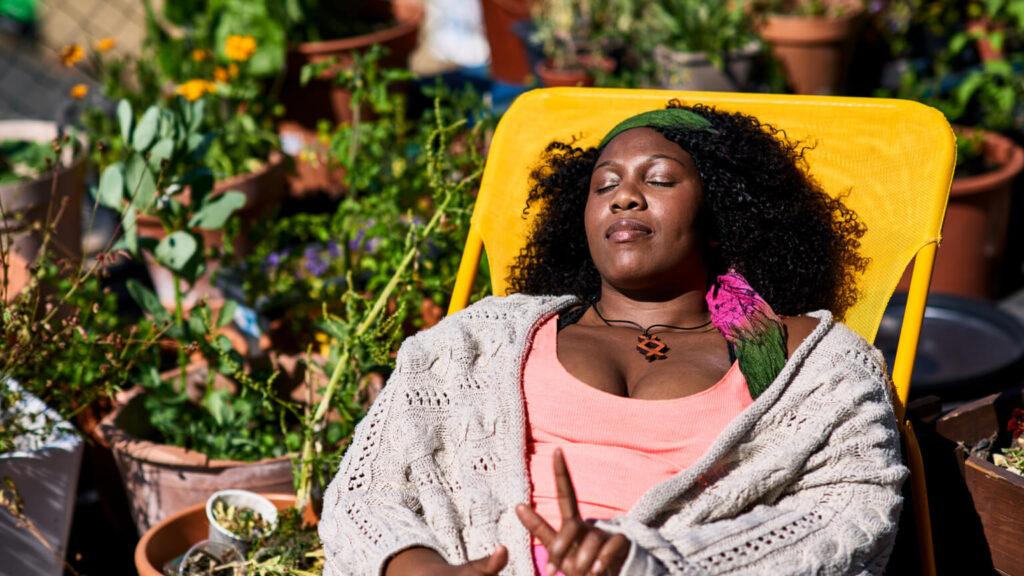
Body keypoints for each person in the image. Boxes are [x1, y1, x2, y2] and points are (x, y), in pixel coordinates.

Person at [319, 101, 908, 576]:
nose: (624, 196)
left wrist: (646, 562)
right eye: (605, 186)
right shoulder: (481, 341)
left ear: (721, 218)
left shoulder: (807, 362)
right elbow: (363, 493)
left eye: (658, 179)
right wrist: (415, 567)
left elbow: (851, 514)